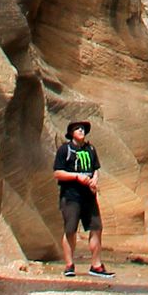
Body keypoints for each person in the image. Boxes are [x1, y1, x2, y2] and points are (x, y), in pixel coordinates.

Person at [52, 119, 107, 277]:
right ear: (71, 133)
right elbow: (57, 173)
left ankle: (96, 265)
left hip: (89, 196)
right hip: (71, 196)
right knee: (70, 230)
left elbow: (96, 169)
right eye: (78, 129)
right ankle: (69, 265)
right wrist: (76, 177)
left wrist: (95, 180)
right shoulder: (65, 150)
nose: (81, 131)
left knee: (96, 228)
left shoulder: (90, 149)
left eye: (83, 128)